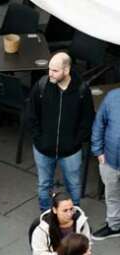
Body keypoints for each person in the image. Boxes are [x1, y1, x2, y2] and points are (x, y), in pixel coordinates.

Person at [27, 53, 95, 212]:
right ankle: (46, 215)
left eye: (55, 70)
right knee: (44, 185)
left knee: (73, 185)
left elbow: (87, 120)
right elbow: (31, 114)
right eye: (49, 69)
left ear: (67, 70)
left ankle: (74, 214)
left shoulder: (82, 90)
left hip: (71, 151)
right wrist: (39, 138)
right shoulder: (42, 85)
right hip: (43, 149)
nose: (50, 73)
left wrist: (76, 141)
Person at [91, 87, 120, 239]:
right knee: (112, 194)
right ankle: (114, 226)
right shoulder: (113, 97)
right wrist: (98, 150)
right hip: (109, 159)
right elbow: (99, 124)